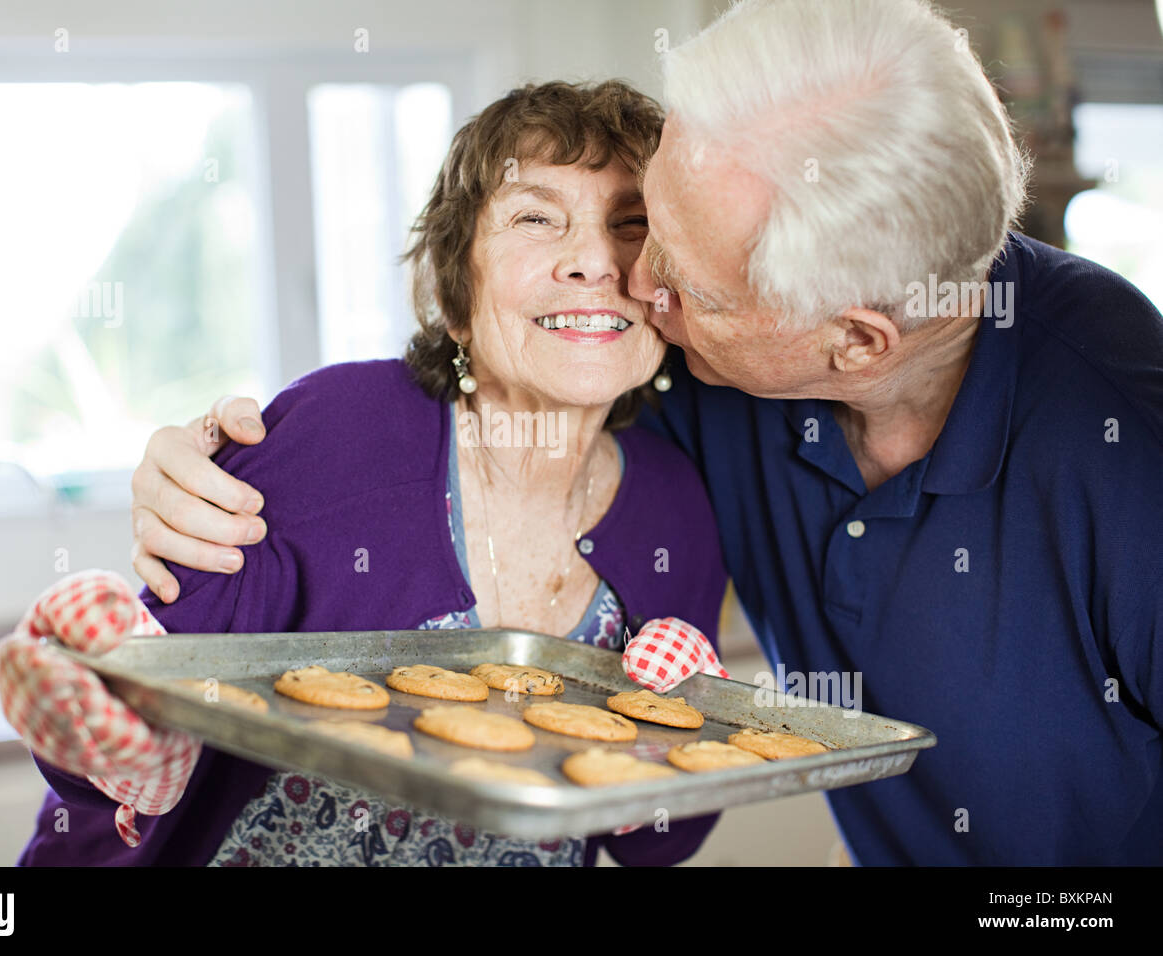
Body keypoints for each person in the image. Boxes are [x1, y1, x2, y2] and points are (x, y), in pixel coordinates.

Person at [132, 0, 1163, 865]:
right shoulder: (695, 364)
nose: (630, 280)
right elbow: (494, 361)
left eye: (671, 264)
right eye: (648, 219)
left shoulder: (1130, 460)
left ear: (849, 340)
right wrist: (198, 454)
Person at [0, 79, 729, 867]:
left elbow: (661, 843)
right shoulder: (341, 429)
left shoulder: (675, 502)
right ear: (456, 292)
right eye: (535, 218)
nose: (594, 260)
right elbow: (129, 733)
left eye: (633, 226)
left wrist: (678, 731)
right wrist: (111, 701)